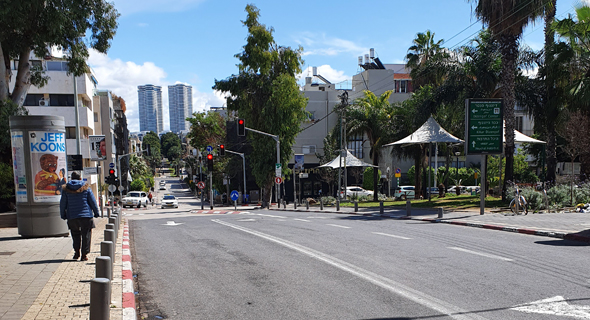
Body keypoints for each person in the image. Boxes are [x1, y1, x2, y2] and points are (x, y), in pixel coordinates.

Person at [60, 171, 100, 261]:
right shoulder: (86, 187)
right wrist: (96, 213)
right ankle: (84, 255)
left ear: (71, 178)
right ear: (80, 178)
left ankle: (76, 252)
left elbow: (63, 203)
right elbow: (92, 201)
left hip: (72, 216)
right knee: (86, 234)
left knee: (75, 234)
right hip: (86, 216)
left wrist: (63, 214)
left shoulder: (66, 189)